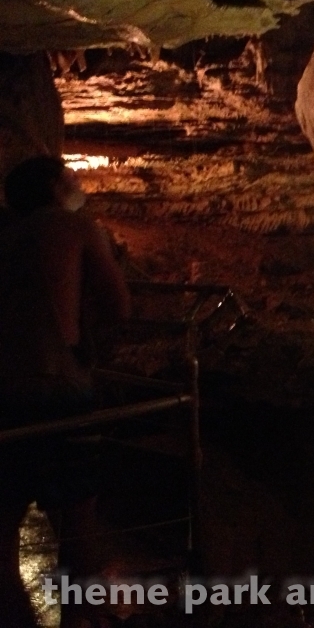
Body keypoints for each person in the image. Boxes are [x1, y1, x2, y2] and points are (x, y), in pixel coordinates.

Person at [0, 155, 131, 626]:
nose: (77, 183)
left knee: (3, 527)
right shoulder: (75, 228)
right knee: (78, 523)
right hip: (59, 388)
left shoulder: (6, 236)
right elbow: (118, 304)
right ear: (56, 187)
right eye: (69, 177)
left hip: (5, 394)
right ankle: (79, 620)